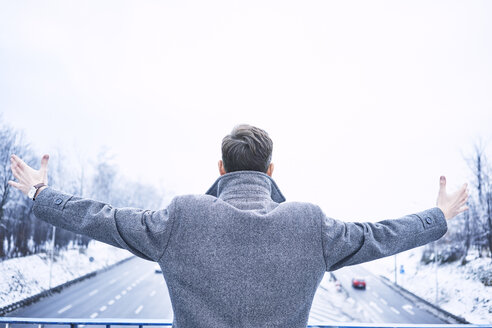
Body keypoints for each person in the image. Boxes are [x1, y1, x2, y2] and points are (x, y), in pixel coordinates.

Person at [8, 124, 468, 328]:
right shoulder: (308, 223)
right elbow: (378, 235)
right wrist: (438, 218)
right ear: (270, 171)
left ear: (221, 167)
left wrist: (41, 195)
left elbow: (101, 218)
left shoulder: (182, 218)